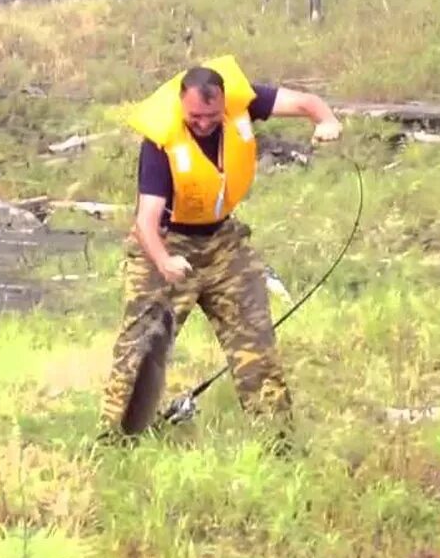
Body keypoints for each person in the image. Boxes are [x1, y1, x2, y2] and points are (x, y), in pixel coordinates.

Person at [98, 55, 341, 444]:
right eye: (195, 115)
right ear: (182, 104)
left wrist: (326, 120)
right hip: (166, 241)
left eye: (212, 115)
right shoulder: (160, 143)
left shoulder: (244, 102)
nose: (204, 123)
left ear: (223, 102)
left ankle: (276, 443)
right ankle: (116, 442)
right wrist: (163, 261)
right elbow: (145, 221)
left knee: (256, 344)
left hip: (223, 242)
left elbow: (306, 103)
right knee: (141, 349)